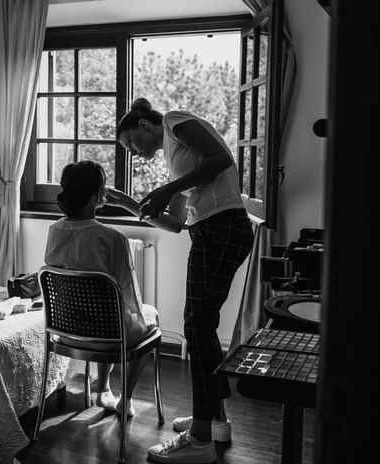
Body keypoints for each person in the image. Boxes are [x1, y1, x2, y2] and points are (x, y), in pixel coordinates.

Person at [107, 98, 254, 463]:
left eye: (130, 143)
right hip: (208, 231)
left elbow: (222, 159)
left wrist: (169, 190)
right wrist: (130, 203)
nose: (133, 153)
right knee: (202, 328)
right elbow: (175, 225)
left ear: (144, 125)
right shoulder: (177, 164)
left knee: (197, 328)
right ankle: (214, 420)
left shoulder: (174, 121)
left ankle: (201, 440)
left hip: (223, 227)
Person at [44, 160, 158, 418]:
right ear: (98, 196)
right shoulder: (112, 237)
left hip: (65, 332)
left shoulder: (54, 231)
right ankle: (124, 399)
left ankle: (104, 389)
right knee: (148, 315)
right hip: (106, 335)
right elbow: (127, 294)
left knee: (107, 316)